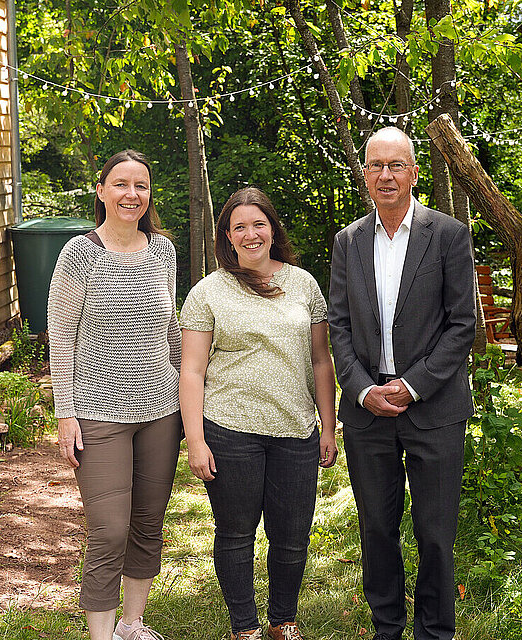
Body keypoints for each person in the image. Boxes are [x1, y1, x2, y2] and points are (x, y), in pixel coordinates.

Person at [328, 127, 476, 640]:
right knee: (376, 531)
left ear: (414, 172)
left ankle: (435, 632)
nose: (385, 175)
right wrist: (363, 389)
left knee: (435, 534)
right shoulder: (348, 241)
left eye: (396, 165)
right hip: (368, 410)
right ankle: (386, 629)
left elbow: (463, 325)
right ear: (364, 174)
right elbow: (339, 325)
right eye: (375, 166)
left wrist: (412, 386)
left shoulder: (449, 235)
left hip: (433, 408)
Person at [179, 187, 338, 640]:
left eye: (259, 224)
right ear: (227, 237)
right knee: (236, 534)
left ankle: (282, 622)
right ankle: (244, 629)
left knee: (291, 539)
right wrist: (196, 440)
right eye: (240, 227)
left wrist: (328, 425)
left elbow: (320, 360)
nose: (251, 235)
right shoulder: (207, 292)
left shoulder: (303, 283)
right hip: (231, 431)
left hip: (296, 430)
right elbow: (190, 370)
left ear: (272, 229)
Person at [48, 149, 182, 640]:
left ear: (149, 195)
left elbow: (170, 328)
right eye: (121, 184)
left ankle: (131, 625)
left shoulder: (162, 251)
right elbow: (60, 336)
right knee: (108, 531)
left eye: (141, 186)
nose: (132, 195)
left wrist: (190, 398)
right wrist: (66, 414)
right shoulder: (80, 254)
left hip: (161, 409)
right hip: (98, 411)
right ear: (101, 190)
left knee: (147, 522)